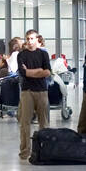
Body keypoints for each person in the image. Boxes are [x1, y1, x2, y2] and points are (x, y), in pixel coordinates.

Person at [16, 29, 52, 161]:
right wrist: (38, 71)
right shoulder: (21, 55)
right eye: (28, 39)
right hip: (27, 91)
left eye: (32, 38)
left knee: (43, 122)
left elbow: (47, 72)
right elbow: (22, 73)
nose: (30, 41)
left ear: (37, 39)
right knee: (25, 122)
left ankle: (45, 149)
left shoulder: (43, 54)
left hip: (42, 91)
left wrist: (30, 71)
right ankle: (25, 151)